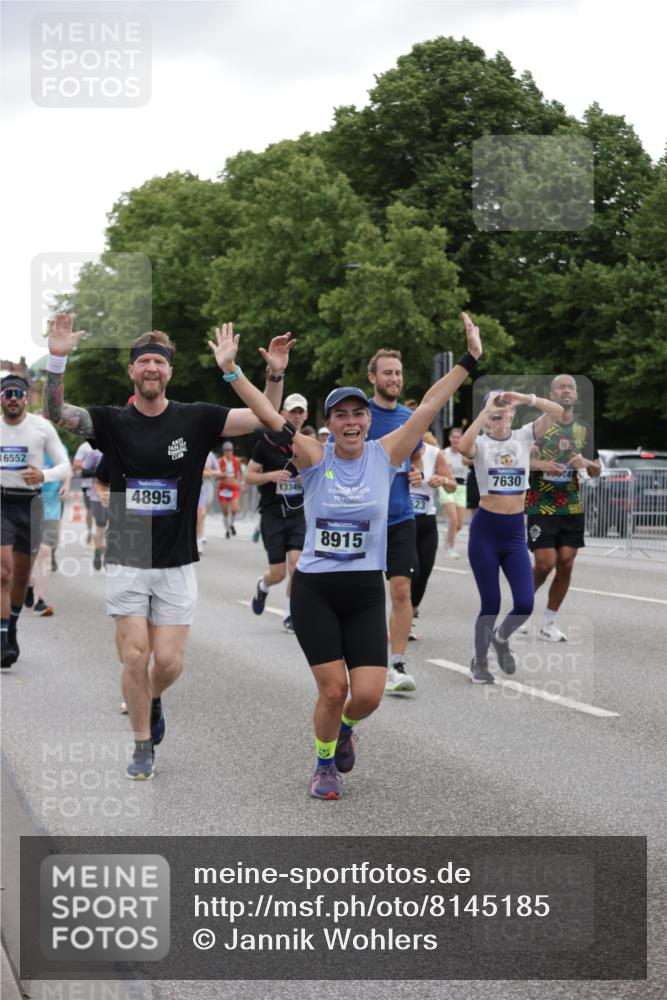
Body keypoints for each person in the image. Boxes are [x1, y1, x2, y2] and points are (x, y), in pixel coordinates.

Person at [208, 315, 482, 799]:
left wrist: (469, 360)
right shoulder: (314, 456)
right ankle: (323, 763)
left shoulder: (386, 453)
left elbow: (433, 402)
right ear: (329, 424)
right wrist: (234, 371)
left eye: (359, 414)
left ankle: (348, 729)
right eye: (341, 415)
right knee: (333, 689)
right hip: (315, 590)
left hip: (361, 592)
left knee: (369, 696)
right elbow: (270, 417)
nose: (351, 422)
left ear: (368, 421)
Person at [43, 313, 292, 779]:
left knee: (169, 663)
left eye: (159, 361)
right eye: (144, 363)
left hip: (177, 556)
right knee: (135, 655)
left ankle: (153, 697)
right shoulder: (112, 421)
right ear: (133, 372)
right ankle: (141, 744)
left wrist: (272, 373)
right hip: (131, 549)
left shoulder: (196, 418)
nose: (152, 368)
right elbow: (58, 415)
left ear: (169, 372)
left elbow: (267, 420)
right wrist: (57, 359)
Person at [458, 389, 565, 684]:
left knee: (524, 603)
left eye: (505, 410)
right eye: (495, 412)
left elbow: (557, 411)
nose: (500, 415)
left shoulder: (524, 436)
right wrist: (484, 412)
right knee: (490, 602)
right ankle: (479, 663)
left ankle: (501, 638)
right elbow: (462, 448)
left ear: (513, 413)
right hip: (486, 533)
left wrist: (526, 398)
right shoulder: (481, 443)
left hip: (515, 533)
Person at [365, 350, 424, 694]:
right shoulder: (360, 414)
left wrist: (417, 471)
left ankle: (397, 663)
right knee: (366, 595)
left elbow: (415, 453)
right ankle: (361, 656)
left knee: (402, 590)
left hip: (401, 517)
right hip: (364, 521)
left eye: (398, 373)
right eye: (387, 373)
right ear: (373, 377)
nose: (395, 379)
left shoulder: (410, 417)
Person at [1, 375, 70, 668]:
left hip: (31, 503)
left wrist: (45, 475)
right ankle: (2, 638)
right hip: (1, 501)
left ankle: (12, 628)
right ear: (1, 399)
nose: (13, 398)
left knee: (19, 575)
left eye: (18, 393)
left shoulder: (41, 427)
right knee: (3, 573)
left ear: (27, 398)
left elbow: (64, 464)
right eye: (7, 393)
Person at [525, 374, 601, 641]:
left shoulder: (584, 430)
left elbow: (596, 470)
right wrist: (542, 465)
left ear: (576, 395)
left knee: (566, 563)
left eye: (571, 387)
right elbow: (520, 461)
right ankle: (519, 611)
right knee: (545, 564)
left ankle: (548, 622)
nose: (567, 391)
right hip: (541, 506)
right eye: (561, 387)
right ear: (552, 394)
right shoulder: (538, 427)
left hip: (571, 507)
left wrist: (588, 464)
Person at [246, 392, 309, 633]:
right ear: (282, 414)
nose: (295, 416)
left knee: (297, 565)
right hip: (272, 514)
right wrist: (270, 476)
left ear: (306, 415)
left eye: (300, 412)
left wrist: (311, 478)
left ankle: (291, 613)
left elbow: (330, 475)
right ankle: (263, 585)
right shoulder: (267, 442)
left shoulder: (309, 444)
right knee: (278, 573)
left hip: (298, 514)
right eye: (291, 411)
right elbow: (248, 477)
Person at [409, 431, 456, 640]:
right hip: (401, 522)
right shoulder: (394, 449)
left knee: (423, 573)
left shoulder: (434, 454)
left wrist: (442, 478)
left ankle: (409, 616)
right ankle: (402, 617)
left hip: (426, 521)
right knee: (410, 571)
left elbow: (452, 486)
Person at [32, 448, 72, 614]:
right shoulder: (25, 443)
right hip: (26, 505)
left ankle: (39, 599)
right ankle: (28, 587)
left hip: (51, 505)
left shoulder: (56, 446)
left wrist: (66, 484)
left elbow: (67, 469)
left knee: (45, 550)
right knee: (27, 554)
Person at [442, 427, 469, 558]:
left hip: (462, 488)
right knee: (453, 519)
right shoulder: (444, 453)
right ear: (449, 438)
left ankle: (448, 535)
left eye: (458, 437)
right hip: (446, 486)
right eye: (453, 437)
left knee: (459, 524)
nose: (455, 440)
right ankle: (451, 549)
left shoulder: (465, 454)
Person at [217, 441, 242, 538]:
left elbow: (241, 473)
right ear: (223, 451)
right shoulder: (220, 461)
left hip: (234, 488)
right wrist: (220, 475)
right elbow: (215, 475)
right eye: (226, 450)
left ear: (232, 451)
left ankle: (231, 525)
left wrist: (242, 483)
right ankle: (227, 530)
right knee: (225, 512)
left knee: (234, 509)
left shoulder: (237, 460)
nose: (229, 452)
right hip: (223, 489)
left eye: (230, 450)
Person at [197, 451, 220, 553]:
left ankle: (199, 538)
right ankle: (198, 540)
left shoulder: (210, 455)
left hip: (207, 486)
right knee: (199, 514)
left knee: (202, 514)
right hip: (195, 484)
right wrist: (207, 472)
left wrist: (209, 472)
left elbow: (218, 472)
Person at [73, 440, 94, 544]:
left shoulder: (106, 443)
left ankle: (103, 534)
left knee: (105, 511)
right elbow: (76, 464)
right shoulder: (84, 447)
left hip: (104, 484)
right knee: (90, 510)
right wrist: (91, 463)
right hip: (88, 484)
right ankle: (90, 531)